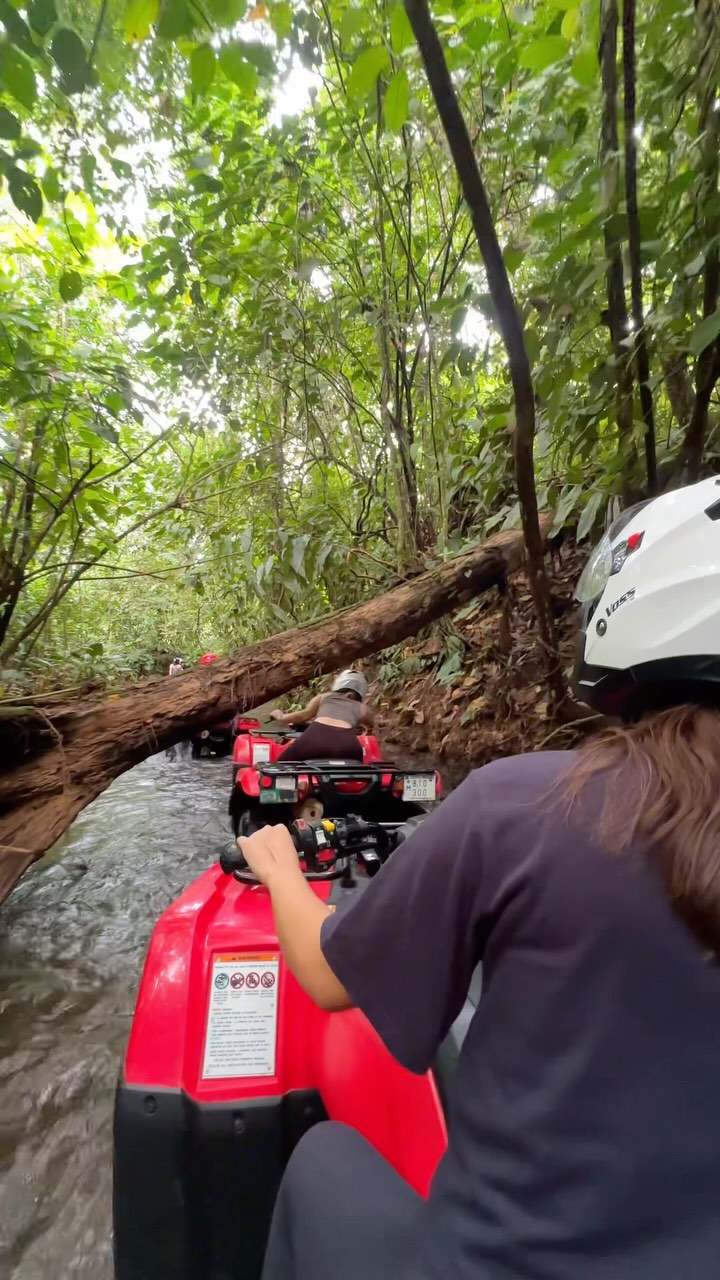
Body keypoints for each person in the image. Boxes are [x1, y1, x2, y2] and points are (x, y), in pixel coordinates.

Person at [238, 477, 720, 1280]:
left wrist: (281, 866)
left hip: (500, 1263)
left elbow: (325, 977)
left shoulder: (520, 801)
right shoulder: (378, 737)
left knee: (322, 1158)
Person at [269, 669, 372, 762]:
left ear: (339, 683)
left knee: (282, 764)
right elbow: (372, 726)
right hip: (349, 746)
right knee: (358, 771)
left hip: (315, 739)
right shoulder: (363, 708)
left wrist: (281, 717)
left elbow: (303, 716)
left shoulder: (325, 697)